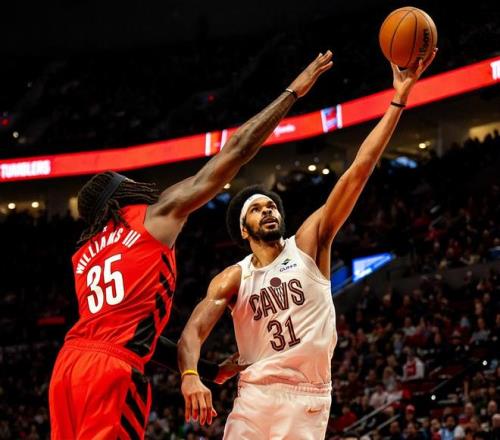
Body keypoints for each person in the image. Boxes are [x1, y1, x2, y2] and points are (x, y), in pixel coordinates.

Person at [48, 51, 334, 439]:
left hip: (67, 369)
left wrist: (210, 371)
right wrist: (291, 93)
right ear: (121, 195)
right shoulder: (154, 216)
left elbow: (126, 331)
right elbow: (235, 151)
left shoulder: (84, 255)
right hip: (111, 369)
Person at [177, 49, 437, 439]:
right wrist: (191, 375)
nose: (268, 210)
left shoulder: (307, 245)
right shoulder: (233, 278)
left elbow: (357, 171)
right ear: (244, 231)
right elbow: (192, 333)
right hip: (254, 395)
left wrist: (398, 99)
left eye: (271, 205)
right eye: (256, 209)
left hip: (306, 397)